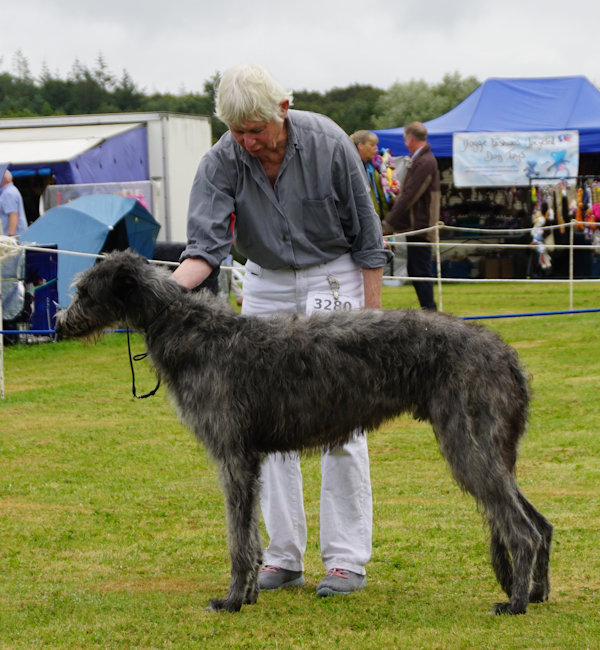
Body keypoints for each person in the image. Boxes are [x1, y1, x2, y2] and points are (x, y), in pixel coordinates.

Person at [172, 64, 390, 597]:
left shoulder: (330, 142)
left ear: (283, 111)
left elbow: (367, 237)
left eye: (255, 130)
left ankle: (345, 560)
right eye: (236, 131)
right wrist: (162, 296)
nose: (246, 142)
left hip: (332, 276)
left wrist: (374, 320)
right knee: (261, 424)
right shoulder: (221, 160)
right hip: (265, 283)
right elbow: (204, 250)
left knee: (343, 423)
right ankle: (282, 554)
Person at [381, 122, 440, 310]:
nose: (405, 143)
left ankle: (430, 312)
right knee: (417, 269)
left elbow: (410, 194)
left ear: (411, 139)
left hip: (421, 226)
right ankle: (428, 311)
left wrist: (388, 223)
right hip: (418, 225)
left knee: (420, 270)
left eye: (405, 139)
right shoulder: (423, 159)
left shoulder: (424, 161)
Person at [0, 170, 28, 238]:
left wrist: (10, 235)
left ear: (5, 179)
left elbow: (13, 215)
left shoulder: (8, 193)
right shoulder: (11, 190)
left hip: (14, 236)